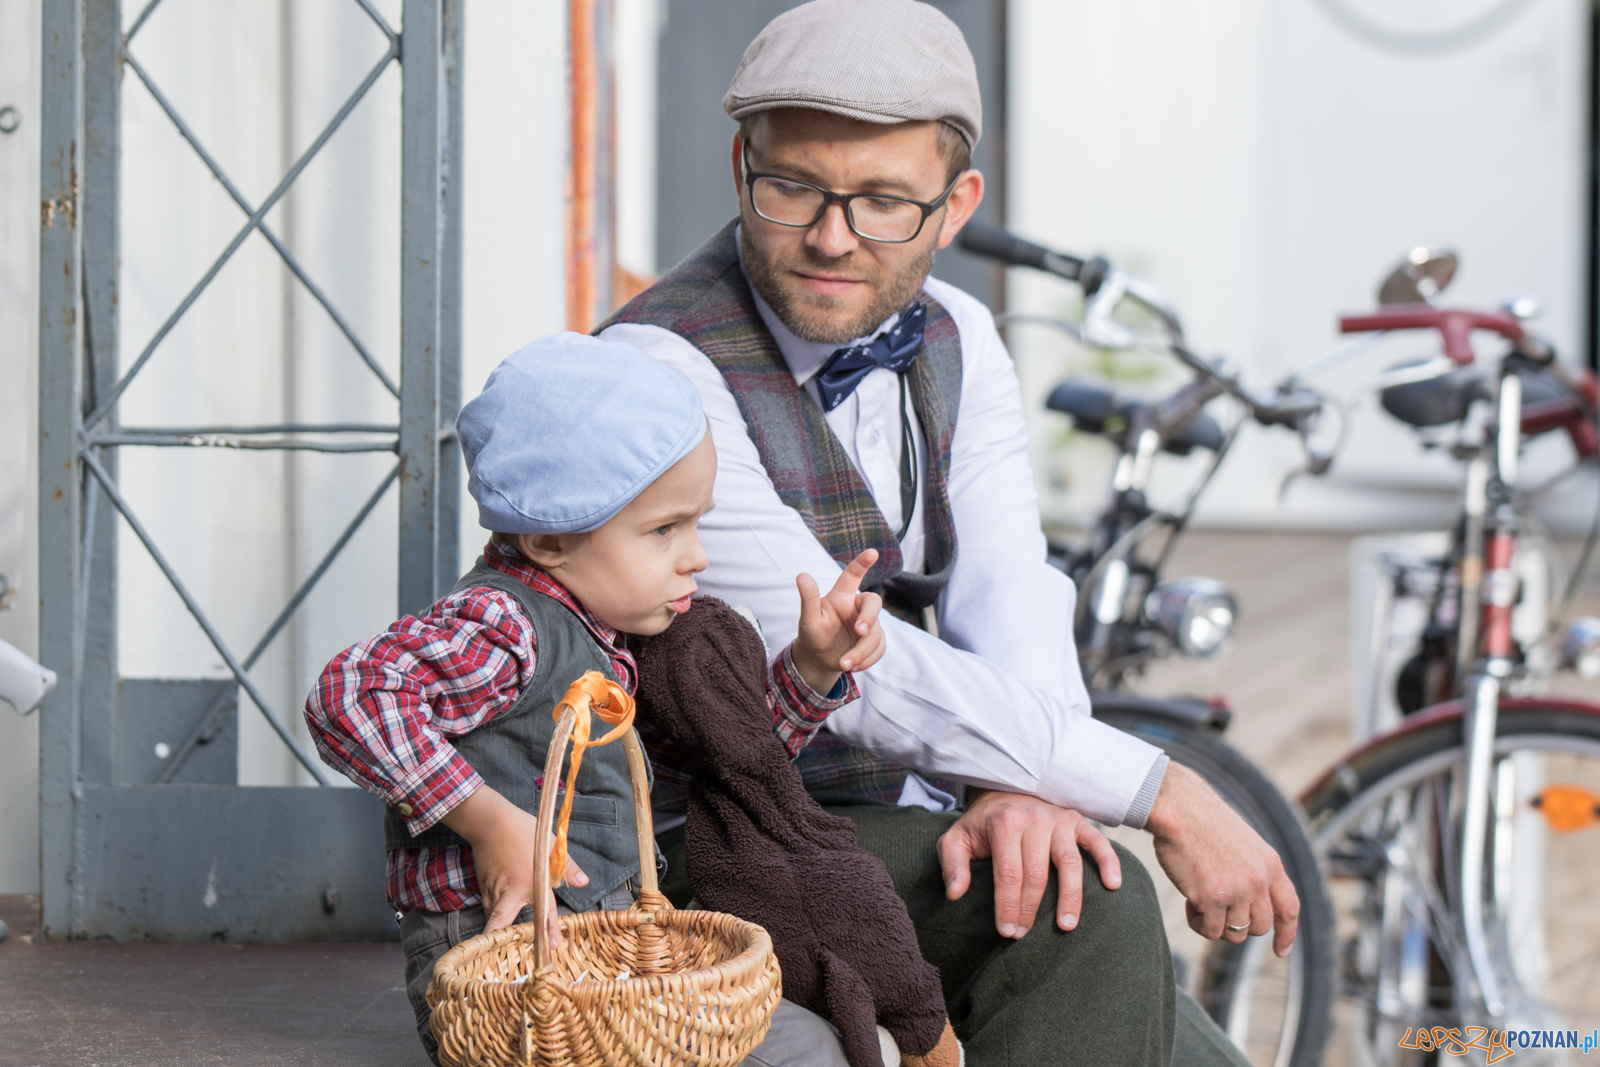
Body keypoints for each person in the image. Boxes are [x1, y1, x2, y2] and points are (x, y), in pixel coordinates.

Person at [599, 2, 1298, 1064]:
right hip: (713, 845)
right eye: (792, 186)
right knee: (1089, 913)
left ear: (957, 203)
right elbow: (863, 667)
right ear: (741, 161)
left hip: (891, 832)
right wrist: (1155, 785)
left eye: (882, 200)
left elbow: (1011, 585)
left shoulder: (961, 335)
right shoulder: (658, 369)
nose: (832, 236)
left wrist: (1029, 785)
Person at [303, 334, 889, 1066]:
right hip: (519, 986)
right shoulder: (506, 626)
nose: (696, 555)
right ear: (549, 539)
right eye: (664, 529)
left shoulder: (607, 639)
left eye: (697, 521)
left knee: (813, 1040)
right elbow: (351, 693)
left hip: (607, 957)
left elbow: (721, 761)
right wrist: (488, 822)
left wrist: (810, 666)